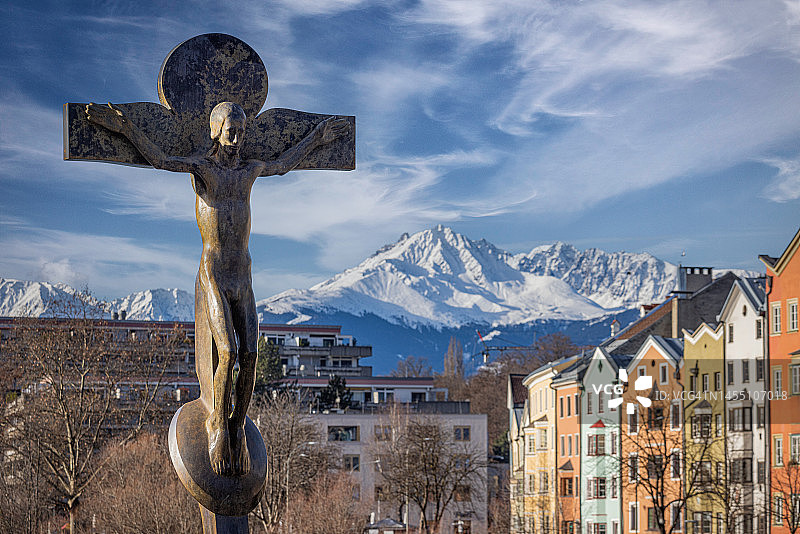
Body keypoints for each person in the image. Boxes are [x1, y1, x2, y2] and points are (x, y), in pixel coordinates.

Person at [86, 101, 349, 475]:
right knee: (228, 351)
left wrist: (318, 138)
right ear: (216, 131)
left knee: (251, 354)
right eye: (230, 131)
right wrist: (126, 129)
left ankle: (237, 425)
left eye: (241, 131)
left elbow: (283, 164)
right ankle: (217, 425)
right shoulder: (203, 169)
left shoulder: (249, 170)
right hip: (214, 274)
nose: (237, 138)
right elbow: (161, 159)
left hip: (243, 274)